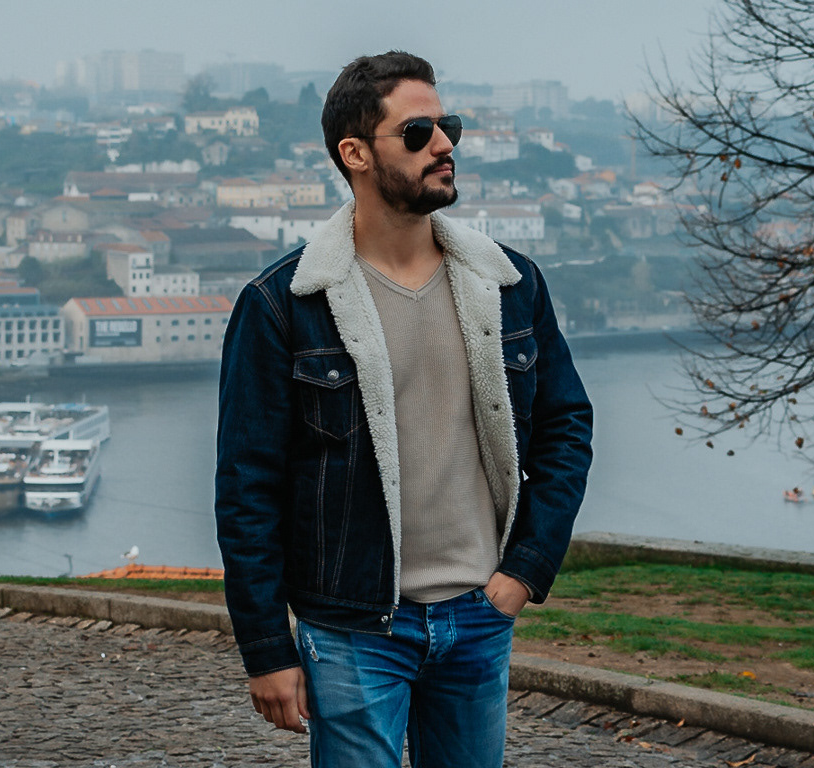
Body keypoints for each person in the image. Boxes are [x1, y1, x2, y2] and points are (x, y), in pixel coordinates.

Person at [215, 50, 593, 768]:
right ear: (355, 154)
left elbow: (567, 428)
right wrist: (266, 648)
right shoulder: (282, 305)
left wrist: (523, 572)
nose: (445, 144)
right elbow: (247, 486)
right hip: (352, 627)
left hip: (480, 614)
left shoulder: (510, 284)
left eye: (449, 126)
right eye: (418, 132)